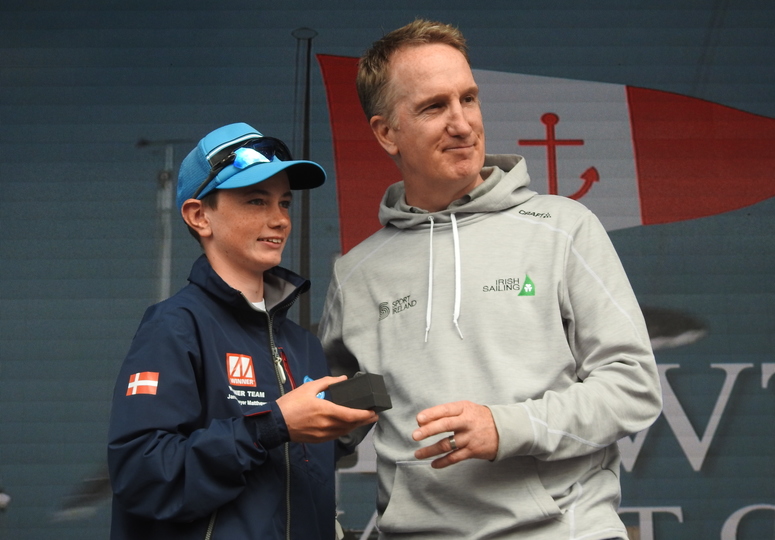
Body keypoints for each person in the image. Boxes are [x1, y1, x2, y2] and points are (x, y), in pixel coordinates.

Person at [318, 20, 663, 539]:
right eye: (434, 107)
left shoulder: (563, 227)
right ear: (386, 133)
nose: (462, 123)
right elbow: (323, 430)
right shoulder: (357, 274)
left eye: (469, 99)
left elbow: (633, 387)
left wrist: (507, 426)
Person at [107, 122, 377, 540]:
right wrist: (273, 427)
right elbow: (142, 475)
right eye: (256, 201)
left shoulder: (303, 344)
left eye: (284, 203)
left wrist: (348, 422)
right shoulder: (175, 327)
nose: (279, 219)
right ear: (199, 216)